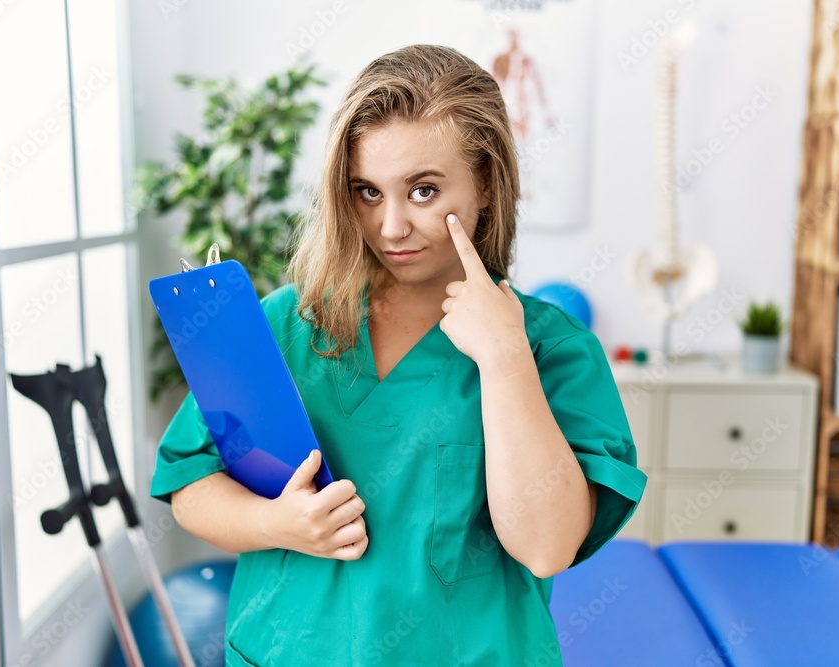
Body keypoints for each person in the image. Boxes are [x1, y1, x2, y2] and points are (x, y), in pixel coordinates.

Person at [150, 44, 647, 666]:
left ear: (487, 183)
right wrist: (277, 526)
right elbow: (189, 480)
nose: (390, 227)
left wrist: (504, 360)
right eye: (366, 192)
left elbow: (547, 547)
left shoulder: (553, 351)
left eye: (423, 191)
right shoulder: (285, 322)